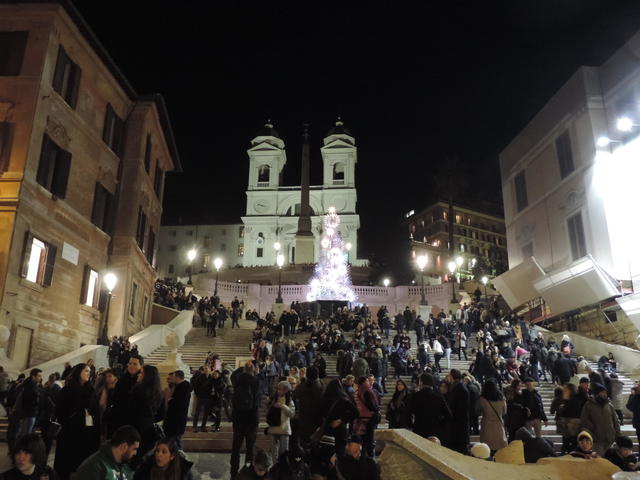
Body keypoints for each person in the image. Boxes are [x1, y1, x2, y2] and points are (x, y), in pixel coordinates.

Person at [54, 363, 100, 480]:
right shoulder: (68, 389)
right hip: (71, 432)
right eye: (86, 371)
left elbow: (96, 408)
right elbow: (60, 410)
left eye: (90, 371)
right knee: (66, 464)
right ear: (78, 372)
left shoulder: (91, 390)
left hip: (87, 431)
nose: (89, 373)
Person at [73, 425, 141, 479]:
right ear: (124, 446)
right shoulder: (95, 466)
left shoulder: (124, 466)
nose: (135, 453)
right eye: (134, 449)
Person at [129, 365, 165, 465]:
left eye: (141, 373)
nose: (138, 375)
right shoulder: (159, 392)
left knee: (133, 456)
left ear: (147, 376)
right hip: (149, 428)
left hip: (136, 427)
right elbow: (162, 414)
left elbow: (130, 409)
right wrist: (151, 418)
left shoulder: (138, 389)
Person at [231, 362, 261, 480]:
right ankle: (248, 473)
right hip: (251, 421)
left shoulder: (237, 381)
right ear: (253, 370)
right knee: (250, 449)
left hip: (238, 420)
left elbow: (233, 374)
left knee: (236, 448)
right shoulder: (256, 381)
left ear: (243, 370)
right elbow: (257, 402)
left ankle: (233, 473)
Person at [580, 382, 620, 456]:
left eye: (606, 392)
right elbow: (584, 420)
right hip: (597, 440)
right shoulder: (589, 405)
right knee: (599, 460)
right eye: (603, 392)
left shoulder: (609, 405)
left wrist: (617, 434)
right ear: (597, 394)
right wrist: (593, 430)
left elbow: (615, 421)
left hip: (610, 439)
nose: (605, 394)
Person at [408, 373, 451, 441]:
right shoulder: (438, 397)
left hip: (419, 430)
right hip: (434, 431)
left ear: (421, 382)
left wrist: (411, 425)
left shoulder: (415, 396)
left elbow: (408, 413)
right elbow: (448, 415)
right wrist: (441, 425)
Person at [108, 354, 143, 436]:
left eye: (135, 364)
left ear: (141, 366)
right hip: (119, 418)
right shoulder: (122, 379)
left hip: (134, 421)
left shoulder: (142, 382)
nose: (131, 366)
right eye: (130, 363)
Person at [293, 366, 324, 444]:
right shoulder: (321, 387)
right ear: (317, 374)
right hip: (318, 421)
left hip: (304, 420)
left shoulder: (301, 387)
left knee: (303, 444)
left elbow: (294, 398)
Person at [163, 370, 192, 450]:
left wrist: (171, 401)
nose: (171, 378)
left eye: (173, 376)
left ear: (177, 377)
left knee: (176, 442)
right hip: (174, 419)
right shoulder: (179, 387)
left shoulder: (183, 388)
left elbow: (178, 403)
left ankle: (178, 459)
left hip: (177, 420)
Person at [268, 381, 296, 461]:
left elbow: (291, 414)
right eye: (278, 389)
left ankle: (283, 468)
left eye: (280, 389)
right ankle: (275, 468)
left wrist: (282, 406)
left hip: (284, 429)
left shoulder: (289, 401)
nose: (278, 391)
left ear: (286, 390)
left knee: (283, 452)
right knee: (274, 452)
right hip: (274, 428)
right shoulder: (273, 399)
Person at [353, 376, 380, 458]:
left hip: (360, 418)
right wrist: (376, 409)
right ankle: (369, 459)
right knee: (369, 440)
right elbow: (371, 405)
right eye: (368, 381)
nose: (369, 382)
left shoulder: (357, 392)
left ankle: (362, 457)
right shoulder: (367, 390)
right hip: (368, 418)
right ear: (364, 382)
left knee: (363, 440)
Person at [478, 379, 507, 454]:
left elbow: (478, 411)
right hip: (499, 427)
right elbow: (504, 412)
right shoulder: (502, 398)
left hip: (486, 427)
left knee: (486, 450)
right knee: (499, 450)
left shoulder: (482, 399)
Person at [447, 369, 470, 454]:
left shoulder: (459, 388)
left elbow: (458, 408)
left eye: (449, 375)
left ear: (452, 376)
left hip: (459, 424)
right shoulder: (458, 387)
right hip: (459, 424)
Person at [192, 366, 214, 432]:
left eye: (207, 369)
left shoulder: (211, 378)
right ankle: (194, 426)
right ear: (204, 370)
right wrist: (198, 394)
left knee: (206, 413)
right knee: (197, 412)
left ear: (210, 370)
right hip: (201, 397)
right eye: (205, 369)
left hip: (208, 397)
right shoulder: (200, 377)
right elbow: (196, 386)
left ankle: (203, 426)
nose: (206, 370)